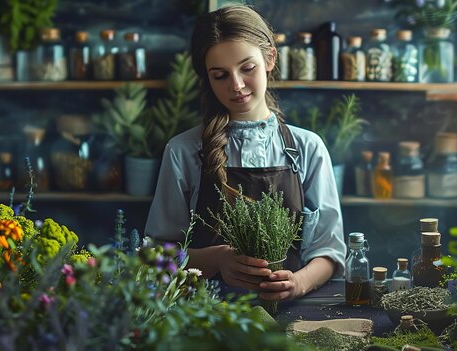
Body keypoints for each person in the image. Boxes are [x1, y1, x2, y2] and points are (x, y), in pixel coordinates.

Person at [144, 5, 345, 301]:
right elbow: (155, 253)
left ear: (269, 59)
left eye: (247, 68)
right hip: (206, 315)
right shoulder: (184, 151)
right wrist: (217, 260)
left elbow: (329, 251)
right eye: (220, 75)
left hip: (291, 317)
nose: (236, 85)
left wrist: (298, 283)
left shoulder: (307, 148)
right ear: (207, 79)